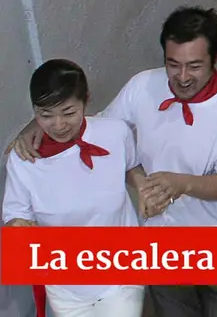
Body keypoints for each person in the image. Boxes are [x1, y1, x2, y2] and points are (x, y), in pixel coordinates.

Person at [5, 6, 217, 317]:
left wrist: (181, 183)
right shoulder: (142, 87)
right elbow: (97, 128)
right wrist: (40, 125)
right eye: (173, 64)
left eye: (194, 66)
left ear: (215, 59)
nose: (183, 77)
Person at [2, 58, 147, 317]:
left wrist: (144, 188)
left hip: (121, 275)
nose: (58, 125)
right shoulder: (24, 159)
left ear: (86, 101)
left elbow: (129, 164)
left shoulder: (114, 132)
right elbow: (16, 214)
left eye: (68, 112)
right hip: (65, 286)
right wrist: (18, 228)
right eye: (45, 115)